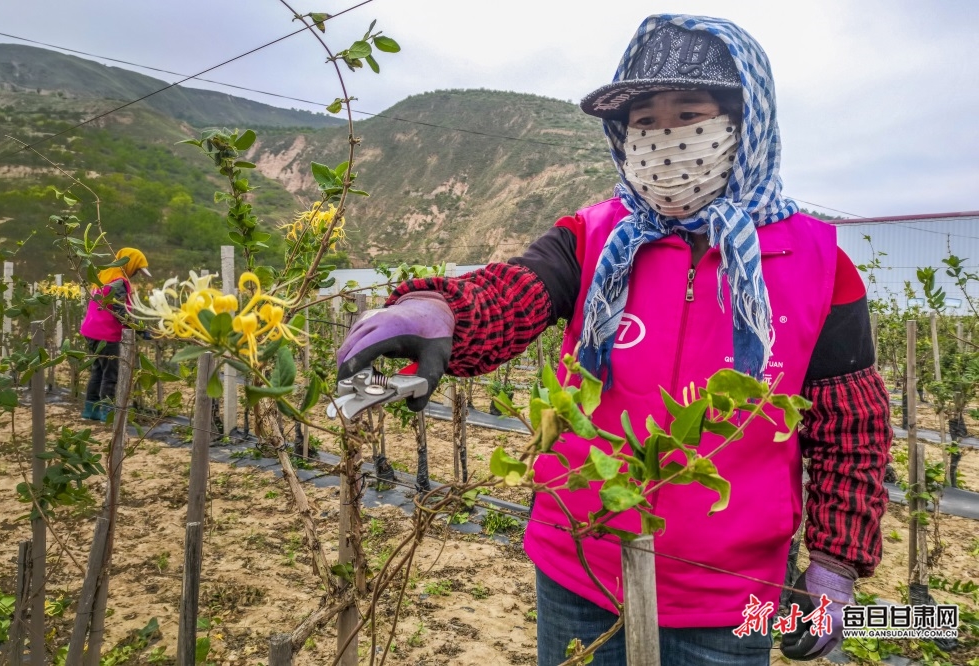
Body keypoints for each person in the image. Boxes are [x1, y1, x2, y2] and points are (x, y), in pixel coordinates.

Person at [338, 14, 891, 666]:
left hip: (727, 594)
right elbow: (513, 291)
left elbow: (850, 427)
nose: (665, 138)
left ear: (747, 122)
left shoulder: (819, 264)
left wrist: (834, 564)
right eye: (645, 122)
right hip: (579, 561)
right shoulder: (594, 238)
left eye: (689, 114)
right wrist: (438, 308)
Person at [79, 247, 151, 421]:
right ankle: (107, 413)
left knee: (98, 370)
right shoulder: (119, 281)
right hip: (106, 333)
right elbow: (119, 310)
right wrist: (140, 329)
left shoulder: (104, 275)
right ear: (130, 264)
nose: (135, 274)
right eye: (136, 269)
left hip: (91, 330)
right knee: (111, 374)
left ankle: (91, 410)